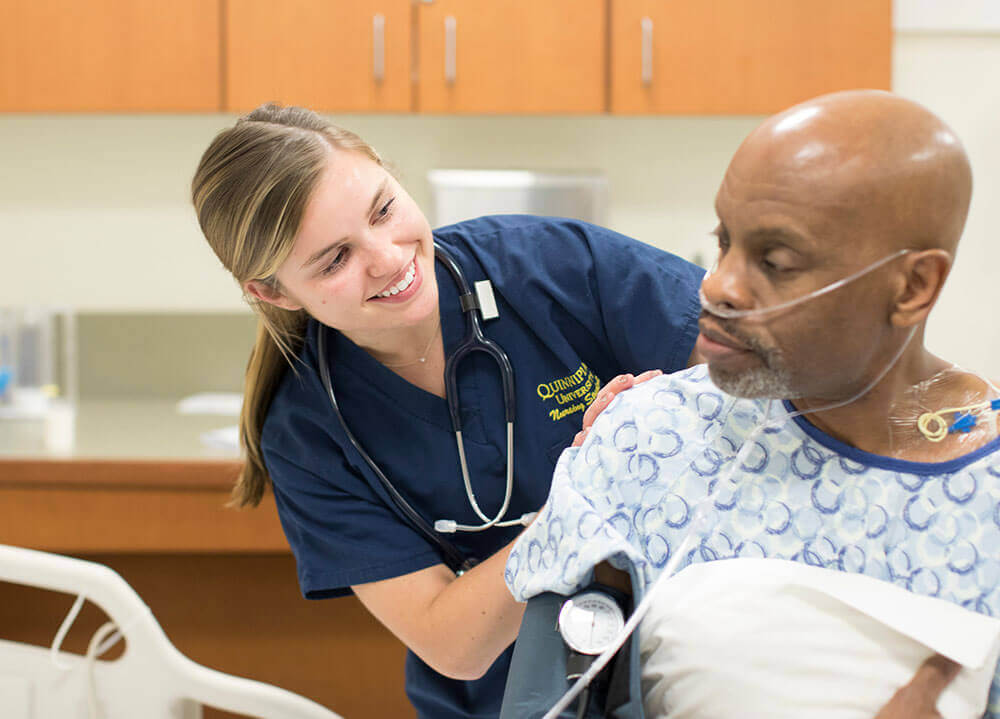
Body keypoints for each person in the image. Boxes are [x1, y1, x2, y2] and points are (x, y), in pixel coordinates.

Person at [190, 103, 704, 719]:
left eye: (383, 210)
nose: (387, 258)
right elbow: (455, 645)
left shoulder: (548, 268)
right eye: (334, 259)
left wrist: (665, 414)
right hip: (506, 703)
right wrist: (592, 486)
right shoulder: (308, 431)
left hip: (690, 667)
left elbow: (757, 375)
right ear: (271, 291)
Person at [504, 89, 1000, 718]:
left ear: (912, 286)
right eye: (725, 240)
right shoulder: (647, 441)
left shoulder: (985, 495)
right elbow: (545, 700)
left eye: (775, 260)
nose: (718, 285)